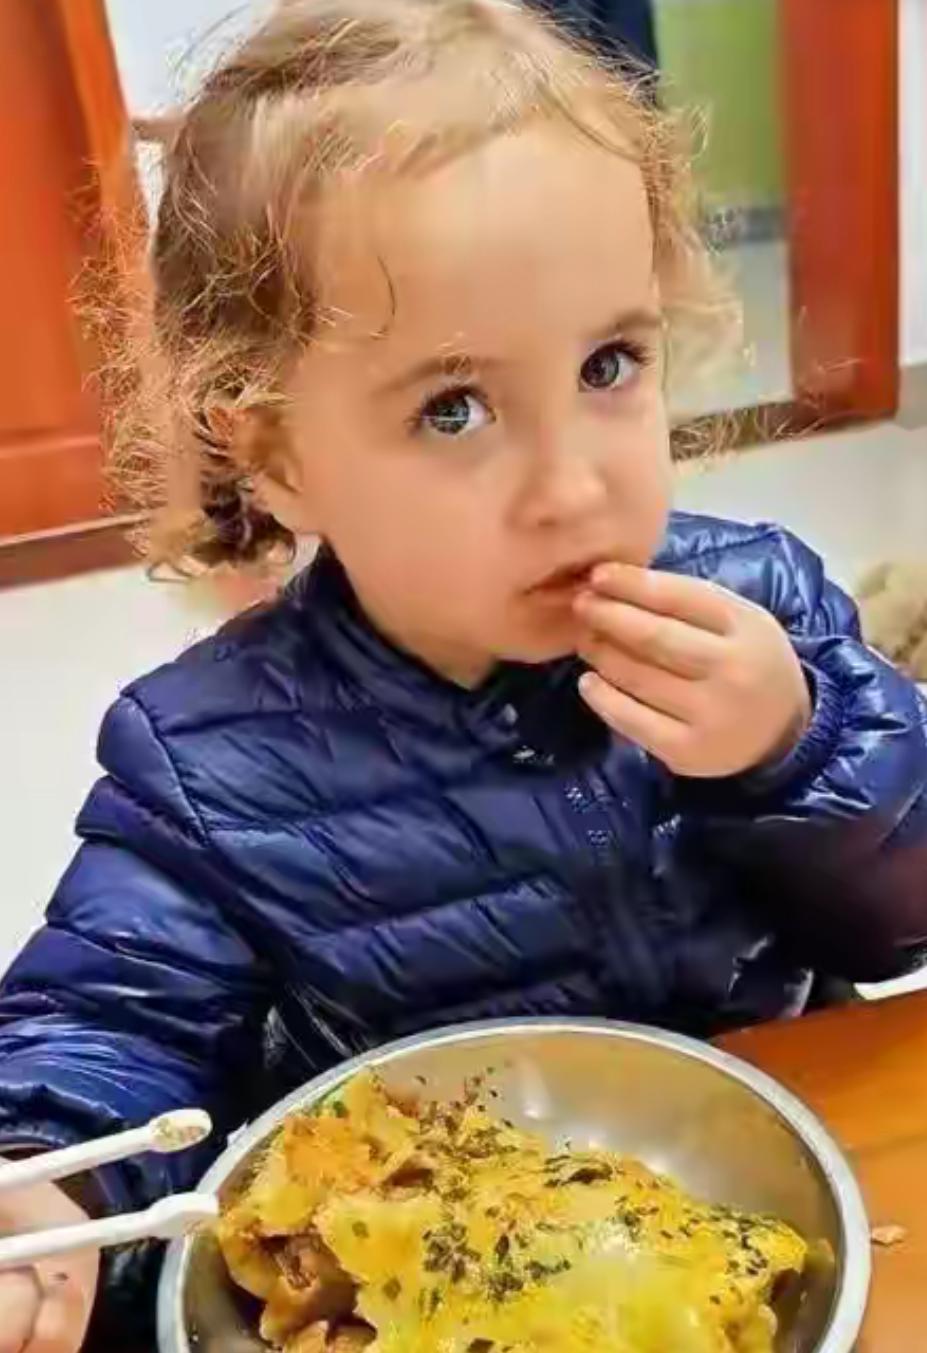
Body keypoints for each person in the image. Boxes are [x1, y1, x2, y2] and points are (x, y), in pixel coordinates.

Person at [2, 0, 926, 1347]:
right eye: (454, 408)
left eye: (609, 363)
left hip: (770, 1194)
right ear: (273, 453)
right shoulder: (208, 756)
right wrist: (47, 1185)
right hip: (432, 1269)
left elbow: (902, 921)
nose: (575, 486)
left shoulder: (760, 606)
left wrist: (801, 746)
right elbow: (106, 1025)